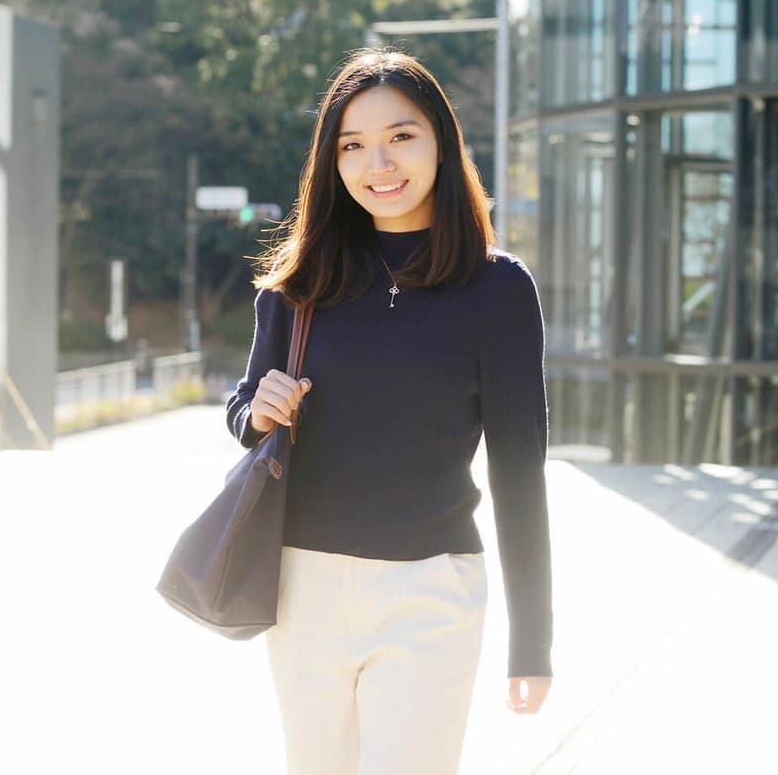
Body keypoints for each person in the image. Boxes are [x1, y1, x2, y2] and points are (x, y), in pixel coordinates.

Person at [225, 49, 552, 774]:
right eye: (353, 144)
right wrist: (260, 410)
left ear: (441, 139)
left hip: (429, 590)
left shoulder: (497, 290)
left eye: (401, 136)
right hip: (303, 586)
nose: (379, 162)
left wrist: (532, 641)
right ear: (331, 161)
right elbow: (244, 407)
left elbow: (521, 471)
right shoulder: (298, 283)